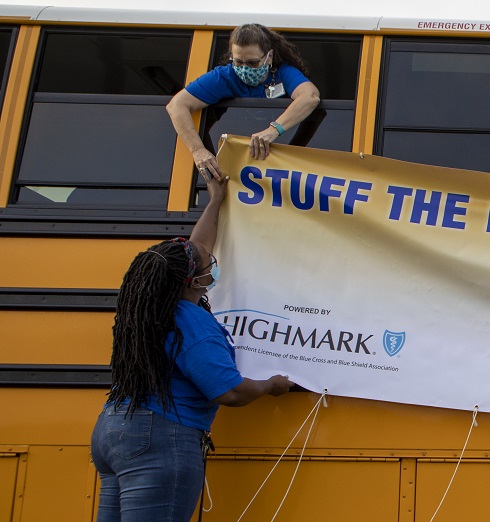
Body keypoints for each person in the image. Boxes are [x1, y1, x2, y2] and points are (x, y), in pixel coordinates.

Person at [90, 170, 293, 521]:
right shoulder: (193, 323)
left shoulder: (148, 309)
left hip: (114, 431)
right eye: (209, 266)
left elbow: (197, 249)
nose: (213, 266)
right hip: (159, 438)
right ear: (193, 280)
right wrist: (271, 386)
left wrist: (215, 201)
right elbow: (228, 392)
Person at [166, 23, 320, 179]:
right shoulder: (225, 76)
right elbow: (176, 105)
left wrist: (274, 131)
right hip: (237, 169)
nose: (245, 69)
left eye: (252, 63)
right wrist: (198, 150)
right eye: (238, 62)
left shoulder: (283, 73)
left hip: (281, 168)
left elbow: (310, 97)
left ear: (269, 57)